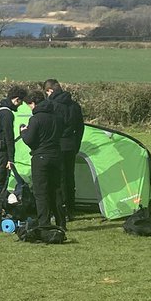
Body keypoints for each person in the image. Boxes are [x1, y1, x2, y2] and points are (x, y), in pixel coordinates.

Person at [19, 90, 65, 232]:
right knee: (56, 190)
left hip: (40, 157)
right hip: (56, 156)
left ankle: (44, 223)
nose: (30, 108)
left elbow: (30, 140)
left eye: (30, 105)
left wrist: (23, 131)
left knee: (41, 192)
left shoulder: (36, 119)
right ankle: (61, 222)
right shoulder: (57, 116)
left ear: (34, 103)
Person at [44, 79, 86, 224]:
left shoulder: (52, 105)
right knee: (69, 177)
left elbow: (50, 126)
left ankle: (60, 211)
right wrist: (77, 144)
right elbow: (81, 127)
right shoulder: (75, 106)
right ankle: (70, 209)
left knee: (58, 179)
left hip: (57, 145)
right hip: (71, 144)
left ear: (49, 91)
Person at [0, 86, 26, 204]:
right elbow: (8, 136)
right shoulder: (7, 114)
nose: (20, 105)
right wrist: (11, 158)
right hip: (0, 149)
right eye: (21, 102)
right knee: (0, 178)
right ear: (16, 99)